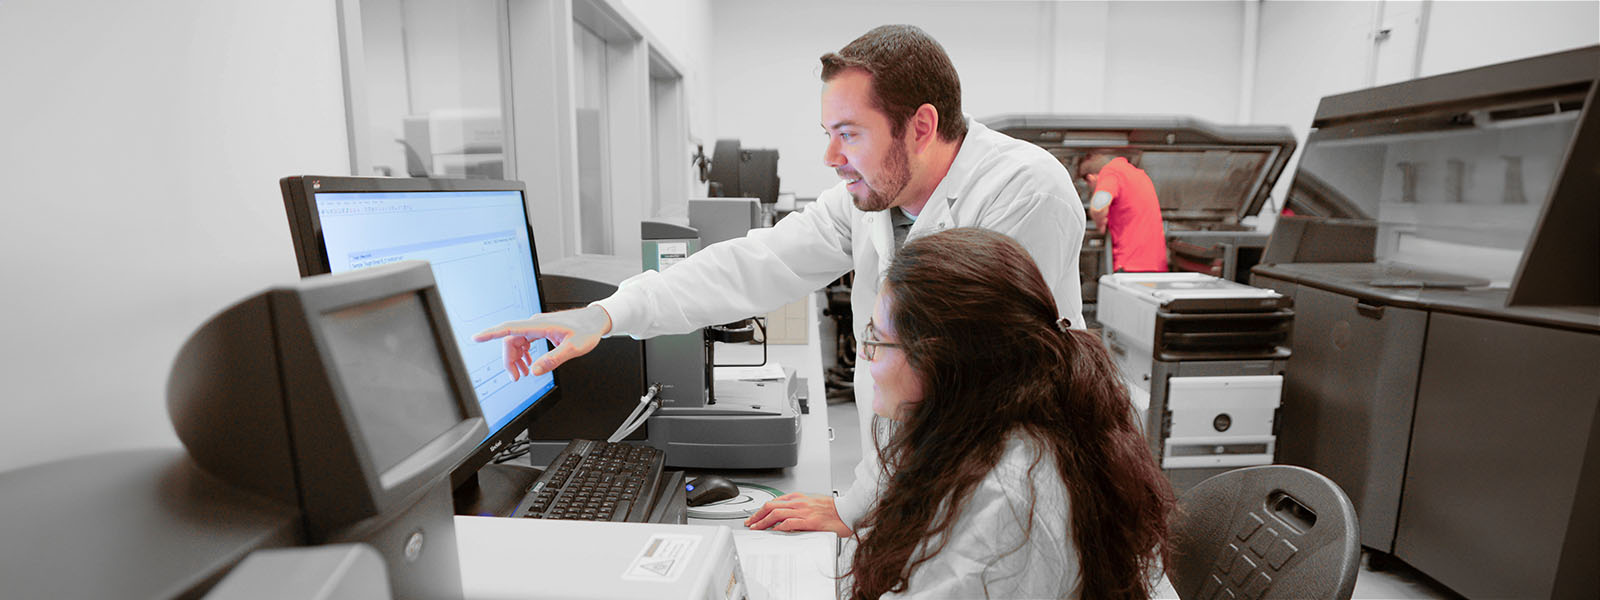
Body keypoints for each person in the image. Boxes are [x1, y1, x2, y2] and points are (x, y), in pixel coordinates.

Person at [474, 24, 1085, 537]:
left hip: (1007, 490)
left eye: (849, 133)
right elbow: (751, 263)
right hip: (924, 487)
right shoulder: (868, 202)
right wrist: (606, 314)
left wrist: (861, 506)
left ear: (921, 126)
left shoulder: (1023, 191)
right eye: (829, 134)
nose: (830, 157)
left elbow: (954, 385)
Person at [752, 228, 1174, 599]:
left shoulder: (1002, 497)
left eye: (878, 340)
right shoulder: (1005, 429)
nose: (867, 357)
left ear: (942, 361)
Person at [1079, 152, 1168, 272]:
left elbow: (1098, 206)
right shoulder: (1136, 173)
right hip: (1155, 265)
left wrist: (1100, 224)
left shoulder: (1111, 172)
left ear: (1091, 178)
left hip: (1131, 266)